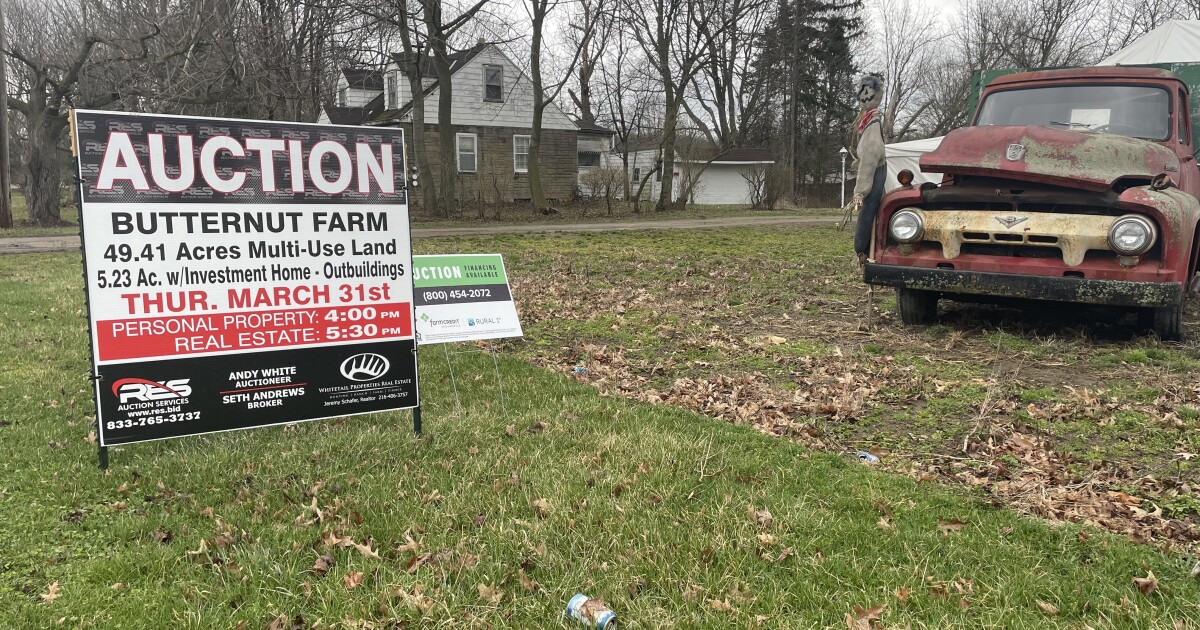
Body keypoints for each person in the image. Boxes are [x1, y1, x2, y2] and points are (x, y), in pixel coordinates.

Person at [846, 75, 887, 265]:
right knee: (870, 213)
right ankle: (866, 252)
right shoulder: (869, 123)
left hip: (874, 178)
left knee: (868, 213)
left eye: (868, 92)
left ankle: (863, 253)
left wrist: (860, 192)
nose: (864, 97)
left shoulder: (873, 125)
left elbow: (870, 159)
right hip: (875, 174)